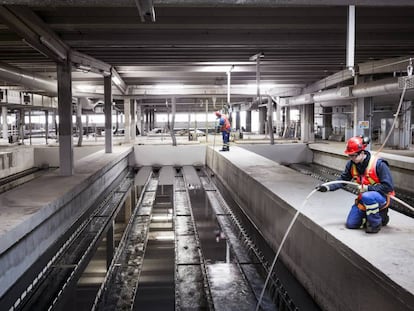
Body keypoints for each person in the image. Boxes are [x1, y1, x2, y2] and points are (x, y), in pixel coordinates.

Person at [316, 136, 395, 233]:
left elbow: (388, 187)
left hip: (380, 197)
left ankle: (375, 223)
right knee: (351, 224)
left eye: (354, 155)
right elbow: (343, 180)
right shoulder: (351, 165)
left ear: (362, 152)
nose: (352, 158)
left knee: (367, 196)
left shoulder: (379, 164)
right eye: (350, 156)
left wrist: (367, 188)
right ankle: (369, 216)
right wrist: (327, 187)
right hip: (364, 198)